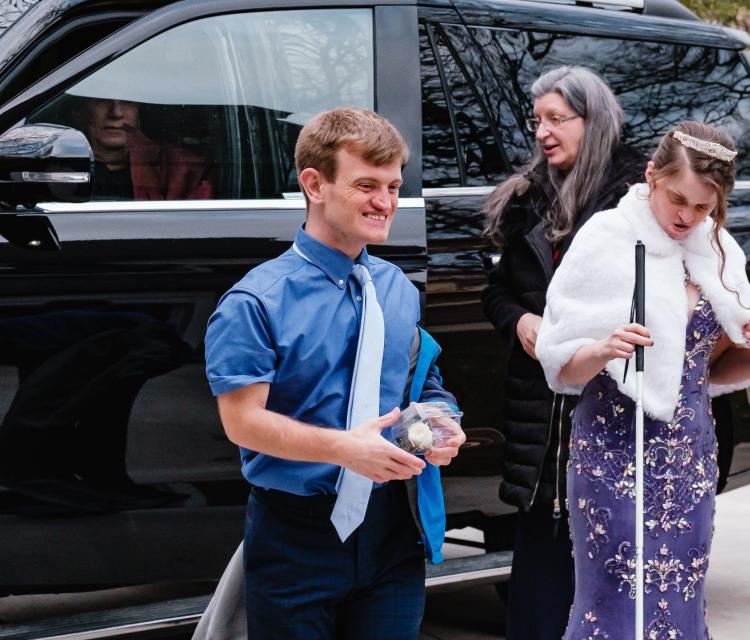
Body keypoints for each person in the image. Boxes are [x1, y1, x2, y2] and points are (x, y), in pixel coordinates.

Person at [535, 121, 750, 639]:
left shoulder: (719, 252)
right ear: (651, 176)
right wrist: (600, 349)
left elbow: (715, 368)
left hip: (689, 456)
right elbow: (560, 365)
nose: (686, 216)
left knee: (679, 596)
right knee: (612, 602)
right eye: (677, 199)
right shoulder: (606, 239)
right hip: (613, 451)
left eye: (702, 207)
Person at [203, 107, 466, 639]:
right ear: (314, 184)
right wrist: (344, 449)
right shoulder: (257, 300)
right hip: (296, 534)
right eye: (366, 184)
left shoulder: (395, 288)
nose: (385, 201)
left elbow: (423, 382)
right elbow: (242, 422)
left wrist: (441, 421)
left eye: (392, 185)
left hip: (393, 530)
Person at [480, 65, 647, 639]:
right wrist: (521, 321)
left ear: (592, 121)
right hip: (538, 410)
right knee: (540, 561)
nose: (544, 132)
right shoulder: (530, 196)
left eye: (558, 119)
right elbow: (497, 292)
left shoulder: (636, 199)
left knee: (601, 561)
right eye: (538, 122)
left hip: (602, 399)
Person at [73, 97, 213, 200]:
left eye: (128, 100)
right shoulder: (60, 161)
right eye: (102, 100)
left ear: (139, 114)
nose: (116, 113)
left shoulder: (181, 169)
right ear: (78, 112)